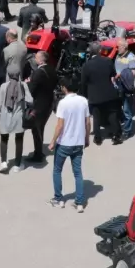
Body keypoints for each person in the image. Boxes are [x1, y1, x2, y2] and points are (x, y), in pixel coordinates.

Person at [49, 78, 90, 211]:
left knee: (57, 170)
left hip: (64, 143)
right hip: (78, 143)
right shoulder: (83, 101)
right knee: (78, 173)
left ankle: (58, 199)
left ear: (64, 88)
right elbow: (88, 123)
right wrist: (87, 138)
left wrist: (53, 141)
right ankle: (79, 203)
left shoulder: (63, 103)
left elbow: (60, 125)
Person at [80, 43, 122, 145]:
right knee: (112, 115)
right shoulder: (107, 61)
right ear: (100, 51)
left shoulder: (86, 65)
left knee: (96, 117)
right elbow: (113, 74)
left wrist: (84, 96)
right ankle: (116, 136)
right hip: (109, 94)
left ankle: (98, 138)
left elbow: (83, 82)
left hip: (95, 96)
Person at [0, 65, 32, 173]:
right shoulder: (23, 85)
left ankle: (3, 162)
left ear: (8, 74)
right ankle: (17, 165)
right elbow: (30, 100)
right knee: (19, 139)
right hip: (18, 117)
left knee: (4, 139)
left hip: (5, 117)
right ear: (19, 74)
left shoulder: (3, 86)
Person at [26, 51, 55, 163]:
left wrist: (28, 82)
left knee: (36, 129)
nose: (35, 59)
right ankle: (38, 152)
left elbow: (31, 91)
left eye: (36, 57)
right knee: (40, 127)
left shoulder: (38, 72)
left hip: (39, 105)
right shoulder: (51, 69)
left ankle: (38, 154)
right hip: (49, 103)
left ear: (41, 60)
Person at [114, 40, 135, 137]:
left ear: (124, 47)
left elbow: (133, 73)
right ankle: (119, 127)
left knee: (127, 110)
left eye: (118, 46)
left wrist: (121, 75)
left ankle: (127, 131)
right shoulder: (118, 55)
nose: (117, 48)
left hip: (126, 86)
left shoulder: (131, 57)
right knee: (118, 108)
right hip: (117, 85)